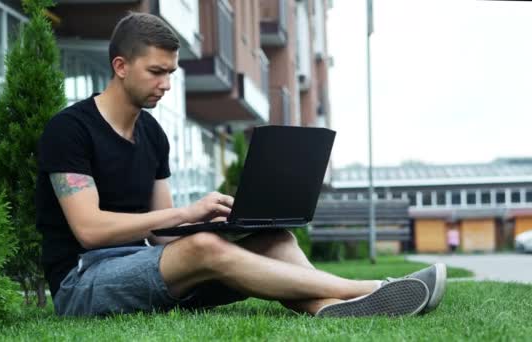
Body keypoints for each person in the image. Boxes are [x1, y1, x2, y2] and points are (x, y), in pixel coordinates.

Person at [36, 12, 447, 318]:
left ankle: (328, 307)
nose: (165, 84)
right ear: (120, 67)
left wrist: (224, 223)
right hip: (83, 282)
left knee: (276, 239)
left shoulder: (152, 135)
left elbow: (162, 237)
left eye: (171, 73)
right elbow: (88, 231)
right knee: (201, 247)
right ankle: (370, 289)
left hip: (147, 269)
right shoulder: (70, 130)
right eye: (156, 72)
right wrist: (189, 215)